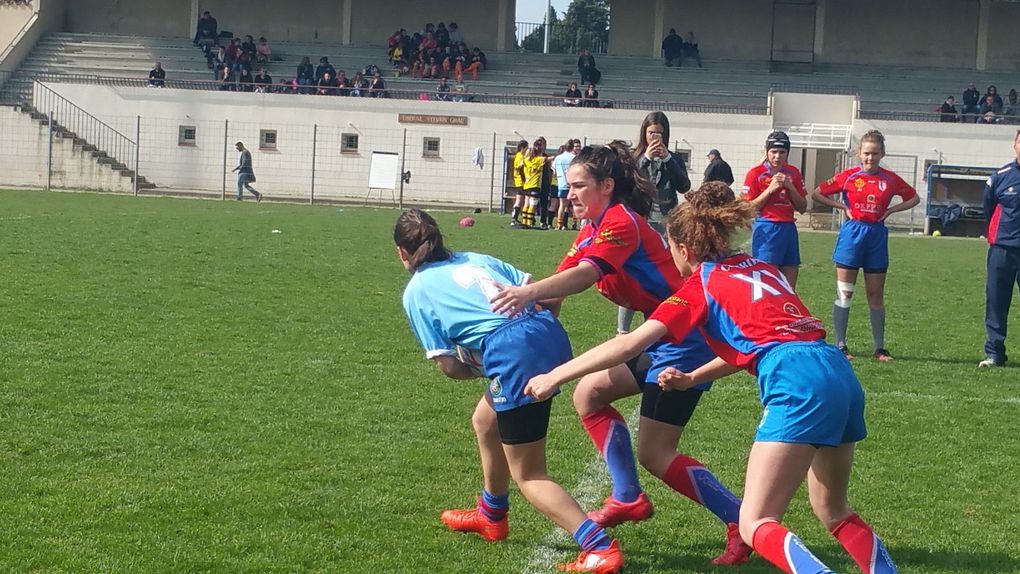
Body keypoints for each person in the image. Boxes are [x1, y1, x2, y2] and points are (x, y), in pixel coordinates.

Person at [524, 181, 899, 574]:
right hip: (836, 370)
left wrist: (556, 375)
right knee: (833, 509)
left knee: (755, 523)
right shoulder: (763, 268)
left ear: (684, 249)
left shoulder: (699, 286)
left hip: (797, 382)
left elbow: (629, 344)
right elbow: (764, 343)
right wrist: (692, 378)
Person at [491, 143, 752, 567]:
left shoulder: (621, 223)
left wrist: (527, 293)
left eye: (578, 186)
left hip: (687, 338)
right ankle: (628, 497)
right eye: (567, 185)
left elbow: (585, 276)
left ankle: (742, 521)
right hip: (663, 333)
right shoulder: (592, 227)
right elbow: (561, 284)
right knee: (589, 395)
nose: (569, 194)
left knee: (656, 452)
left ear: (607, 186)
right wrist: (525, 329)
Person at [394, 209, 624, 574]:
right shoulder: (474, 258)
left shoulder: (416, 292)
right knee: (485, 422)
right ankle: (492, 515)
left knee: (530, 474)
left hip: (511, 351)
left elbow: (450, 367)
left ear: (401, 253)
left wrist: (490, 365)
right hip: (544, 328)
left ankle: (599, 548)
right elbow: (546, 297)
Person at [811, 130, 920, 361]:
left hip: (876, 237)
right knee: (844, 293)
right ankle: (841, 345)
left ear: (882, 154)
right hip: (852, 235)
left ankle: (879, 348)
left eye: (875, 153)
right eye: (867, 153)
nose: (870, 158)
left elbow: (914, 197)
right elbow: (818, 193)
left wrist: (890, 210)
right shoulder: (849, 176)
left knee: (875, 294)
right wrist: (843, 208)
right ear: (859, 154)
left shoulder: (890, 179)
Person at [742, 131, 808, 288]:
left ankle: (787, 311)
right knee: (766, 285)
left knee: (789, 287)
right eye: (774, 152)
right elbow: (748, 209)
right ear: (767, 152)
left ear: (787, 153)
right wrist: (769, 190)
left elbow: (803, 207)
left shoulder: (793, 173)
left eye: (782, 152)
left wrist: (791, 187)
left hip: (789, 230)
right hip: (767, 228)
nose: (777, 156)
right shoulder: (755, 173)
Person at [980, 130, 1020, 368]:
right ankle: (995, 353)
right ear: (1014, 145)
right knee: (996, 302)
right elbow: (989, 207)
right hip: (1002, 250)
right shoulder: (1000, 177)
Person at [519, 137, 552, 229]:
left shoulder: (536, 158)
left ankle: (539, 221)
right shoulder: (538, 159)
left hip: (539, 184)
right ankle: (529, 222)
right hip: (534, 185)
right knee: (532, 204)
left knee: (539, 204)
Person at [552, 139, 581, 230]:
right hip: (573, 184)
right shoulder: (574, 158)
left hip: (562, 184)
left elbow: (554, 172)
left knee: (562, 205)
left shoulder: (558, 158)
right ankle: (574, 223)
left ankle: (559, 224)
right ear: (572, 147)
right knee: (575, 204)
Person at [509, 140, 528, 227]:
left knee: (521, 200)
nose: (527, 149)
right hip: (520, 181)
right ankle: (514, 219)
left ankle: (516, 218)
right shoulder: (520, 156)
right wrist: (524, 178)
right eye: (526, 147)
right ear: (522, 148)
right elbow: (520, 167)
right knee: (519, 200)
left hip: (519, 181)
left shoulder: (519, 155)